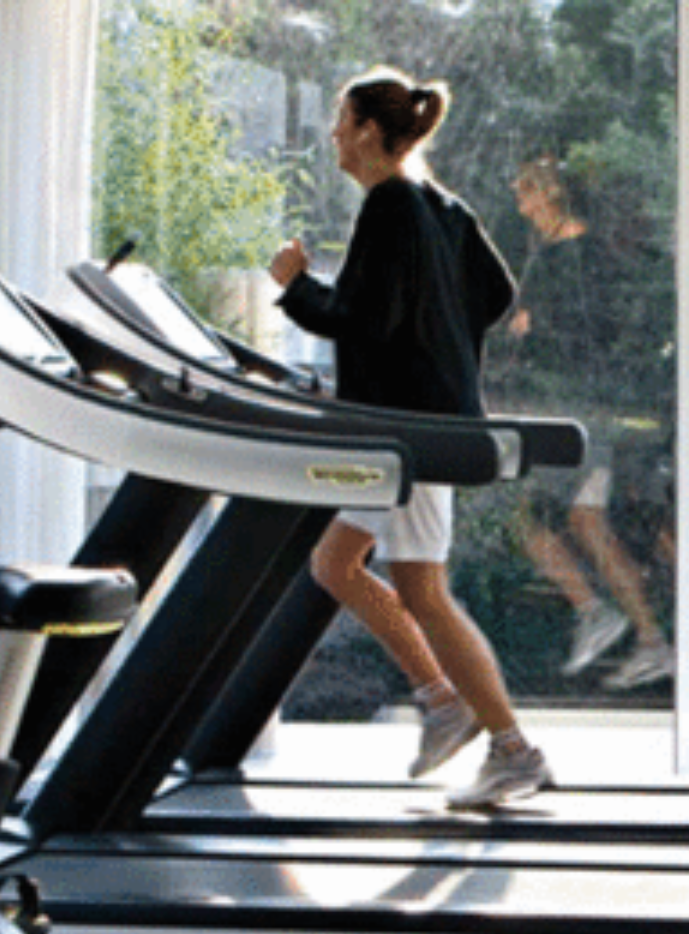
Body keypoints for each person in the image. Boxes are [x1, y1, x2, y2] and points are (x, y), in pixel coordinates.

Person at [269, 66, 552, 810]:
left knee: (424, 590)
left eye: (341, 120)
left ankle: (513, 749)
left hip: (410, 432)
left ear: (368, 131)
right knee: (336, 563)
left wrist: (294, 283)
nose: (334, 134)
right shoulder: (441, 205)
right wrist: (440, 338)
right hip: (407, 425)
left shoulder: (391, 204)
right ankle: (440, 701)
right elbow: (495, 293)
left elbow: (359, 319)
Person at [508, 155, 674, 691]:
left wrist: (528, 333)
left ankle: (595, 612)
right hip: (598, 407)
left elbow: (551, 339)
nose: (521, 207)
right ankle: (651, 642)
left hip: (571, 412)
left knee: (531, 524)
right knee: (586, 520)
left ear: (549, 195)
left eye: (525, 194)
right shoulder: (598, 255)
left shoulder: (556, 262)